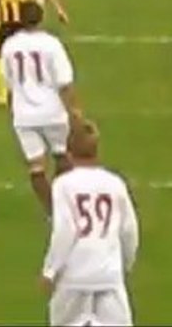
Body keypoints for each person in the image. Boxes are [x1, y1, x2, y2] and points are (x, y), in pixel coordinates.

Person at [41, 120, 140, 327]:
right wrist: (125, 264)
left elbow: (66, 229)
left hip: (73, 277)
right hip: (108, 275)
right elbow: (129, 230)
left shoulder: (63, 184)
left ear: (69, 153)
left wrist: (50, 270)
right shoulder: (115, 183)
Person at [1, 1, 83, 216]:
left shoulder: (9, 46)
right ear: (41, 17)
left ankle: (51, 211)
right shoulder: (51, 44)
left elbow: (8, 83)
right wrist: (75, 111)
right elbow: (64, 82)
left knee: (36, 167)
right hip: (52, 111)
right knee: (63, 156)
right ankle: (65, 204)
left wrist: (12, 110)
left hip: (23, 115)